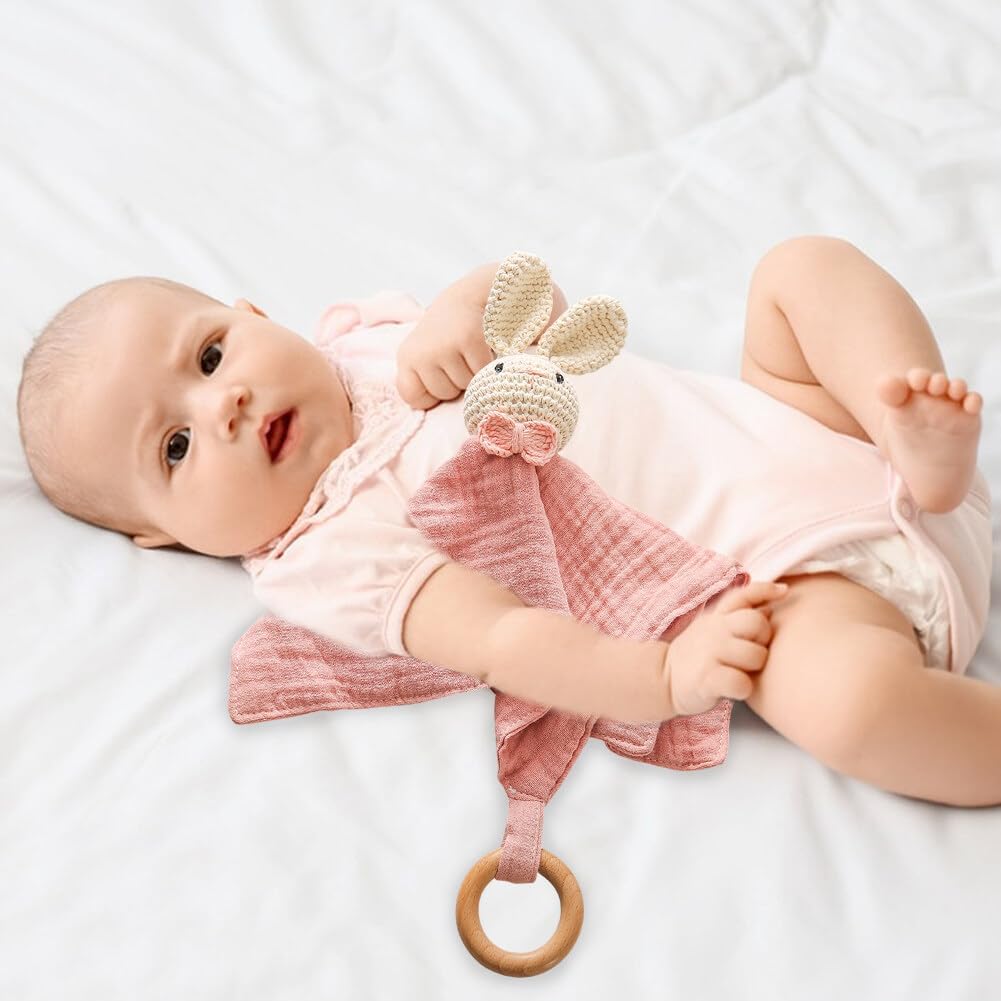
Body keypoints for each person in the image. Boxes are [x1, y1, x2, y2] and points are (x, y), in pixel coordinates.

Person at [16, 236, 994, 806]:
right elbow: (504, 638)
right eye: (174, 448)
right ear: (165, 537)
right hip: (799, 587)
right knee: (845, 706)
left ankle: (910, 437)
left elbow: (538, 300)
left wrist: (466, 308)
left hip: (803, 421)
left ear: (253, 313)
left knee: (799, 269)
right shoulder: (330, 552)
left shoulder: (371, 339)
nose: (220, 405)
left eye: (210, 355)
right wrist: (666, 676)